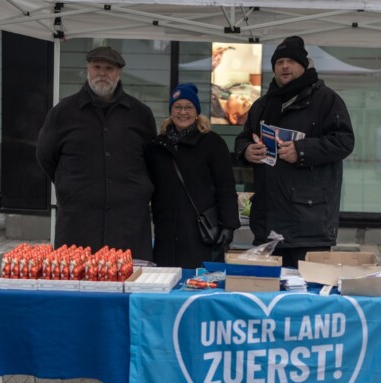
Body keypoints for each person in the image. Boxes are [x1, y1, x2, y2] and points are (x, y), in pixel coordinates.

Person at [234, 36, 355, 268]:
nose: (285, 66)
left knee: (308, 295)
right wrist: (246, 150)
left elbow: (344, 141)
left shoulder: (326, 99)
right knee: (269, 294)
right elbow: (243, 139)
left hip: (309, 223)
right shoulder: (262, 105)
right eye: (279, 62)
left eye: (290, 61)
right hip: (268, 220)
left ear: (303, 65)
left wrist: (301, 150)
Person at [36, 46, 156, 261]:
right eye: (96, 67)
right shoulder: (63, 111)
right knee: (75, 284)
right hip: (78, 222)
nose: (102, 73)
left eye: (109, 68)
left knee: (127, 284)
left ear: (119, 73)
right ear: (87, 70)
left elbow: (151, 160)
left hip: (128, 223)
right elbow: (46, 156)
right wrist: (70, 185)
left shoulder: (140, 114)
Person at [146, 83, 241, 268]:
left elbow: (226, 187)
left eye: (189, 107)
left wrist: (229, 225)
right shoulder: (157, 145)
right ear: (171, 111)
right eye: (178, 107)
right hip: (165, 230)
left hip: (200, 231)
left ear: (197, 111)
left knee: (198, 283)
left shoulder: (212, 143)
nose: (183, 112)